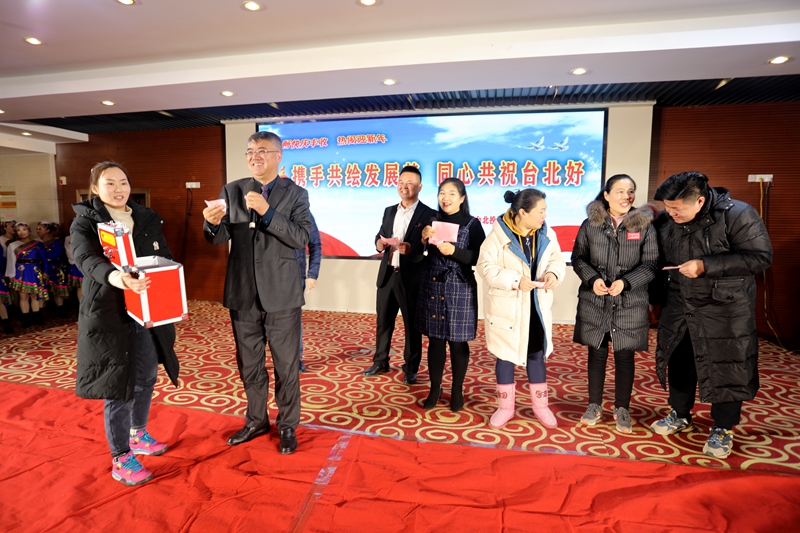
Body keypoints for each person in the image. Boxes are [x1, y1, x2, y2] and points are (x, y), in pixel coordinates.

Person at [649, 171, 772, 459]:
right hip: (680, 304)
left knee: (727, 366)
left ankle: (723, 427)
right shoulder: (667, 221)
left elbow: (760, 257)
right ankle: (680, 413)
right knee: (679, 360)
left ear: (700, 201)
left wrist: (706, 266)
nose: (671, 213)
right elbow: (658, 262)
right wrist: (654, 300)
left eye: (677, 208)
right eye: (667, 207)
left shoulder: (738, 214)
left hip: (725, 308)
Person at [71, 161, 180, 486]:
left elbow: (163, 254)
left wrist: (170, 283)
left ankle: (138, 433)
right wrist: (118, 278)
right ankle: (120, 457)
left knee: (146, 374)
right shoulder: (85, 221)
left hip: (146, 308)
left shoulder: (146, 217)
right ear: (95, 188)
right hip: (109, 311)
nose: (118, 189)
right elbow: (85, 259)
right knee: (117, 384)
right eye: (110, 183)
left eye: (123, 182)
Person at [203, 131, 311, 454]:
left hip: (282, 295)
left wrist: (268, 212)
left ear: (278, 156)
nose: (255, 156)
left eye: (262, 151)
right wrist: (211, 224)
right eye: (250, 151)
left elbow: (300, 237)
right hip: (243, 293)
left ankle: (287, 425)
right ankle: (256, 420)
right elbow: (219, 237)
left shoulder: (296, 194)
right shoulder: (232, 190)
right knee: (249, 363)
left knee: (286, 365)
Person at [571, 175, 658, 433]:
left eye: (630, 191)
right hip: (596, 300)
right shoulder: (591, 224)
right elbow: (578, 258)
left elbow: (651, 264)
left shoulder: (645, 226)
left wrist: (626, 282)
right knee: (596, 354)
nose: (626, 196)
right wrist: (592, 279)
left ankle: (622, 408)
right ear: (607, 195)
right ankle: (594, 405)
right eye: (619, 191)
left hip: (630, 301)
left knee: (625, 355)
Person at [477, 189, 566, 429]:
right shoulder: (497, 236)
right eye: (541, 211)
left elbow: (557, 259)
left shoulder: (546, 233)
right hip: (508, 308)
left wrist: (553, 273)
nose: (544, 216)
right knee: (505, 356)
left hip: (536, 307)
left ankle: (541, 406)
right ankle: (505, 408)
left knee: (536, 354)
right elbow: (485, 268)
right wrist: (516, 280)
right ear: (523, 213)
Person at [363, 165, 437, 385]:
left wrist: (412, 250)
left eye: (410, 183)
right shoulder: (389, 211)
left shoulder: (429, 214)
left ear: (419, 187)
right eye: (401, 182)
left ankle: (411, 367)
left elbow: (431, 248)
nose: (405, 186)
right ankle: (380, 361)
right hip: (388, 274)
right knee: (383, 321)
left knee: (412, 326)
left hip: (412, 278)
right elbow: (381, 234)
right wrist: (378, 244)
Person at [416, 178, 485, 411]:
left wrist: (454, 251)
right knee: (435, 340)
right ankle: (435, 388)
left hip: (460, 285)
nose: (445, 198)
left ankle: (457, 390)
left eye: (452, 194)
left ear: (462, 198)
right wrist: (422, 239)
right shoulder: (431, 220)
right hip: (433, 284)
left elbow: (480, 257)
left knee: (457, 341)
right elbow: (417, 256)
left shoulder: (472, 224)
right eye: (442, 193)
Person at [6, 222, 50, 327]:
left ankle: (37, 317)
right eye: (18, 230)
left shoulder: (38, 244)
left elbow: (45, 260)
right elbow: (11, 261)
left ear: (29, 230)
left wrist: (45, 273)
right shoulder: (13, 245)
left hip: (35, 272)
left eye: (24, 229)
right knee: (23, 296)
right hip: (21, 272)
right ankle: (26, 319)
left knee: (35, 296)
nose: (21, 232)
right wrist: (11, 274)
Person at [295, 212, 321, 372]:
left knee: (293, 321)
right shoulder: (260, 207)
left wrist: (312, 274)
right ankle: (258, 359)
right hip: (263, 275)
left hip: (294, 276)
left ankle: (296, 359)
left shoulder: (302, 211)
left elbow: (315, 245)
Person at [38, 221, 69, 318]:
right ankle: (41, 312)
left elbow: (58, 254)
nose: (38, 231)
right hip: (43, 268)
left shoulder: (55, 242)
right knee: (43, 288)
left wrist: (45, 258)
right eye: (37, 229)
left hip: (55, 267)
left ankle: (60, 310)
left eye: (40, 229)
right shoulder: (37, 243)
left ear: (47, 230)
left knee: (57, 289)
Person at [64, 233, 84, 302]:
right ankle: (82, 305)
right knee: (80, 287)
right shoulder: (68, 238)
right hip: (76, 264)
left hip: (87, 263)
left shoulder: (88, 236)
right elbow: (69, 253)